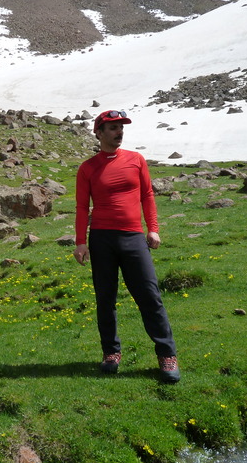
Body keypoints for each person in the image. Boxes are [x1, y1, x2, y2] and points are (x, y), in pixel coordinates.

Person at [74, 110, 180, 382]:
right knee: (105, 299)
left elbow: (147, 195)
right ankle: (111, 352)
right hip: (102, 239)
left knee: (149, 296)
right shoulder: (87, 168)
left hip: (133, 237)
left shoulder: (136, 160)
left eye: (121, 127)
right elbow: (82, 207)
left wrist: (153, 229)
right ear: (99, 132)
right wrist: (81, 242)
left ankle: (167, 355)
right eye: (112, 128)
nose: (119, 132)